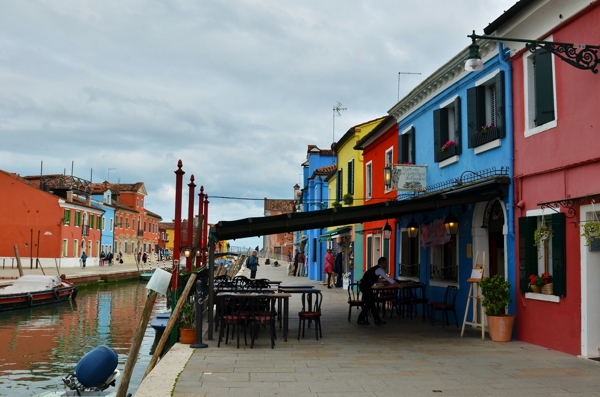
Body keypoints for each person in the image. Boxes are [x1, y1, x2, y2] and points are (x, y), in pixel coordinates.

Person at [357, 257, 398, 325]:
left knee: (372, 303)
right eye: (386, 263)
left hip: (364, 286)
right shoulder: (379, 270)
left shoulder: (376, 269)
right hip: (365, 287)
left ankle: (377, 319)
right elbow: (388, 278)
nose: (387, 265)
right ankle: (360, 319)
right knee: (369, 304)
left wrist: (382, 282)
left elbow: (375, 278)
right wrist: (398, 285)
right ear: (382, 263)